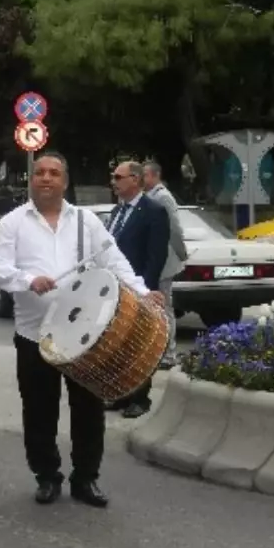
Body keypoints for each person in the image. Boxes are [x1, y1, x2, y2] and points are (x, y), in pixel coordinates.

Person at [0, 152, 162, 508]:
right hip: (35, 336)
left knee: (89, 410)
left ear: (65, 181)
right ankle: (47, 476)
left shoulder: (86, 221)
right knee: (39, 411)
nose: (46, 178)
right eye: (40, 172)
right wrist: (27, 280)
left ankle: (86, 479)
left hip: (87, 337)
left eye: (54, 173)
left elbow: (114, 262)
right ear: (32, 179)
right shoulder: (13, 223)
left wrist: (141, 291)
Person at [106, 161, 171, 419]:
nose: (113, 181)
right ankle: (121, 394)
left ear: (135, 179)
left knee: (137, 346)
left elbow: (156, 256)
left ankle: (140, 398)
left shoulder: (153, 211)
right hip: (115, 290)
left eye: (118, 177)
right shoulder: (116, 212)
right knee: (117, 345)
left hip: (140, 290)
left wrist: (144, 289)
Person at [143, 160, 187, 370]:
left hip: (166, 261)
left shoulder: (163, 197)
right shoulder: (152, 196)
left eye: (144, 176)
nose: (142, 180)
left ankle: (169, 354)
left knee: (165, 307)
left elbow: (175, 229)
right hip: (155, 261)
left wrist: (182, 253)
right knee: (156, 308)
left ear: (154, 176)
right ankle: (160, 352)